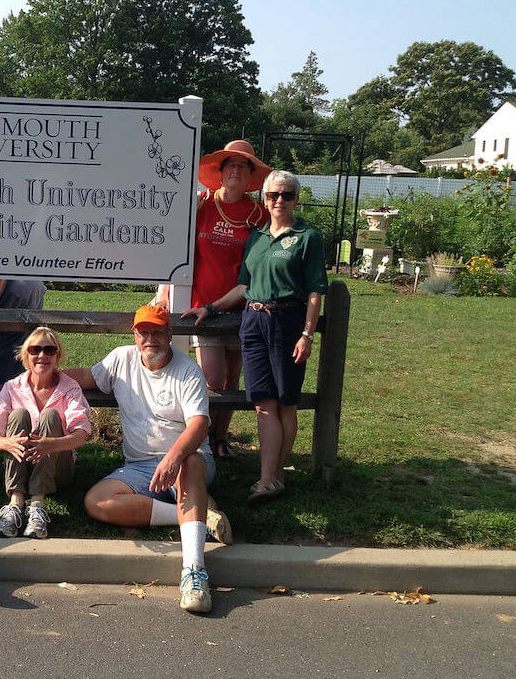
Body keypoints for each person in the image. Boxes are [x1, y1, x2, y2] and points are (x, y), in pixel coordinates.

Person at [67, 305, 231, 615]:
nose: (150, 338)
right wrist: (45, 373)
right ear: (135, 335)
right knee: (97, 502)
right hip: (140, 467)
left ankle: (194, 572)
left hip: (186, 461)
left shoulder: (187, 371)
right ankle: (200, 518)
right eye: (144, 332)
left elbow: (199, 425)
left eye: (157, 331)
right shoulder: (121, 359)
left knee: (190, 463)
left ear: (170, 334)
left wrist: (173, 457)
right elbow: (88, 377)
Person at [184, 170, 328, 505]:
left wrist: (307, 333)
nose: (279, 201)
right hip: (253, 320)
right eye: (273, 195)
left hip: (288, 320)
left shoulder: (307, 237)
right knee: (263, 402)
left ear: (295, 198)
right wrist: (211, 308)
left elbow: (315, 292)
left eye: (287, 195)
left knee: (286, 402)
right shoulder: (257, 236)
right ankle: (269, 477)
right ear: (264, 198)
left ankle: (273, 475)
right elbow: (244, 286)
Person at [151, 140, 269, 459]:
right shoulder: (201, 204)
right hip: (203, 307)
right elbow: (175, 248)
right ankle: (200, 439)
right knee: (211, 377)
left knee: (232, 376)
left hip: (241, 307)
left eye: (243, 166)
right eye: (230, 164)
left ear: (250, 175)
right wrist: (164, 290)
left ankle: (220, 438)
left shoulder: (259, 213)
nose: (235, 169)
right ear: (219, 171)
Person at [0, 327, 91, 540]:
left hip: (58, 469)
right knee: (18, 415)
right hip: (21, 465)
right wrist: (7, 443)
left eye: (49, 350)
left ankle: (38, 503)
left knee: (50, 415)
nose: (42, 356)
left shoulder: (70, 388)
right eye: (35, 350)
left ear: (57, 356)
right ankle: (15, 503)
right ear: (26, 355)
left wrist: (52, 444)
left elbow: (81, 434)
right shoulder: (12, 387)